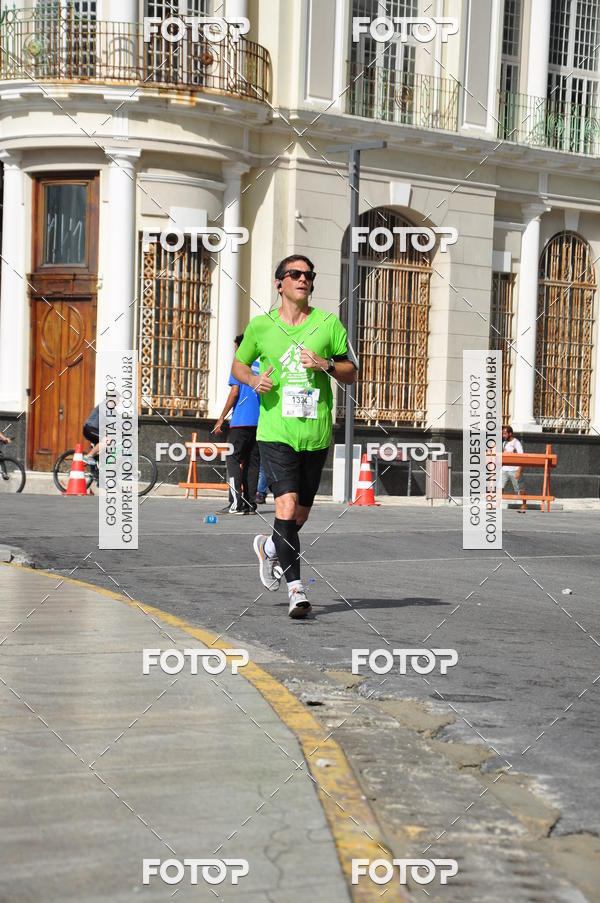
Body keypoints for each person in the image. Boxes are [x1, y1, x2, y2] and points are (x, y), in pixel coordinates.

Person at [232, 254, 357, 619]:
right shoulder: (261, 326)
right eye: (296, 274)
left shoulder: (328, 324)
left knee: (298, 516)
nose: (304, 279)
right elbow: (238, 365)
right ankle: (296, 591)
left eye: (309, 274)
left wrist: (326, 364)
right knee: (285, 507)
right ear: (280, 283)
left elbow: (351, 372)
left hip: (315, 435)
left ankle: (269, 547)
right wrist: (253, 379)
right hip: (276, 432)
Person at [214, 334, 260, 515]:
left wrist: (221, 418)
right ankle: (250, 504)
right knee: (252, 463)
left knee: (232, 458)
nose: (235, 352)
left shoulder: (239, 366)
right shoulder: (261, 366)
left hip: (241, 422)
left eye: (236, 349)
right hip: (259, 423)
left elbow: (234, 392)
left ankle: (235, 503)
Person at [502, 424, 525, 511]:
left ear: (510, 433)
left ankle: (524, 504)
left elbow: (522, 457)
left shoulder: (516, 443)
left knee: (520, 488)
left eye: (505, 433)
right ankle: (497, 504)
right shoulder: (504, 443)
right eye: (503, 434)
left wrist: (519, 470)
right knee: (500, 486)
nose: (503, 435)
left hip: (514, 469)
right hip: (504, 469)